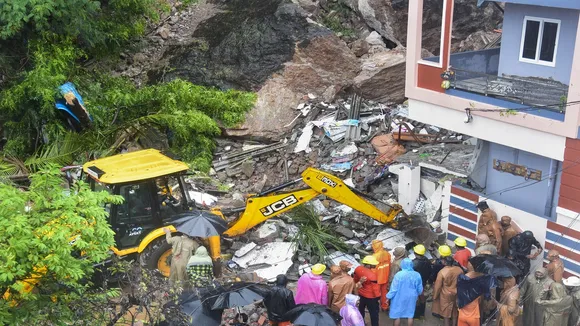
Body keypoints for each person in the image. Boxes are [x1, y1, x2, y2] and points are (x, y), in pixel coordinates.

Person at [387, 258, 423, 326]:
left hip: (399, 297)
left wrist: (388, 296)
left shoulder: (399, 275)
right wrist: (418, 294)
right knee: (410, 315)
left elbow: (394, 288)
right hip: (412, 297)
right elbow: (419, 288)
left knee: (397, 315)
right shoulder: (417, 275)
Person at [432, 256, 464, 326]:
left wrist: (435, 296)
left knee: (446, 314)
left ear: (444, 262)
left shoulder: (442, 272)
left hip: (445, 295)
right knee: (455, 311)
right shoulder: (459, 270)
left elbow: (438, 286)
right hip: (456, 292)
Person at [353, 255, 380, 326]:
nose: (375, 265)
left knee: (361, 310)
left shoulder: (358, 269)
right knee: (374, 313)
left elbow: (355, 279)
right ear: (368, 265)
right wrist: (378, 298)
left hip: (361, 293)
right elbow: (375, 289)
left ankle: (361, 323)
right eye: (373, 264)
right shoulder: (372, 275)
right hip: (371, 296)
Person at [412, 244, 432, 319]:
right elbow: (430, 271)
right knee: (422, 298)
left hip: (416, 283)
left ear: (415, 253)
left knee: (416, 299)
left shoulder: (414, 263)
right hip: (423, 282)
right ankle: (422, 313)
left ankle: (416, 315)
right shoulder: (427, 260)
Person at [371, 240, 391, 311]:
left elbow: (372, 269)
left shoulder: (374, 257)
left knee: (375, 294)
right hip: (385, 277)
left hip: (377, 278)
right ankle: (385, 306)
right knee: (384, 293)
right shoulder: (387, 254)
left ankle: (375, 307)